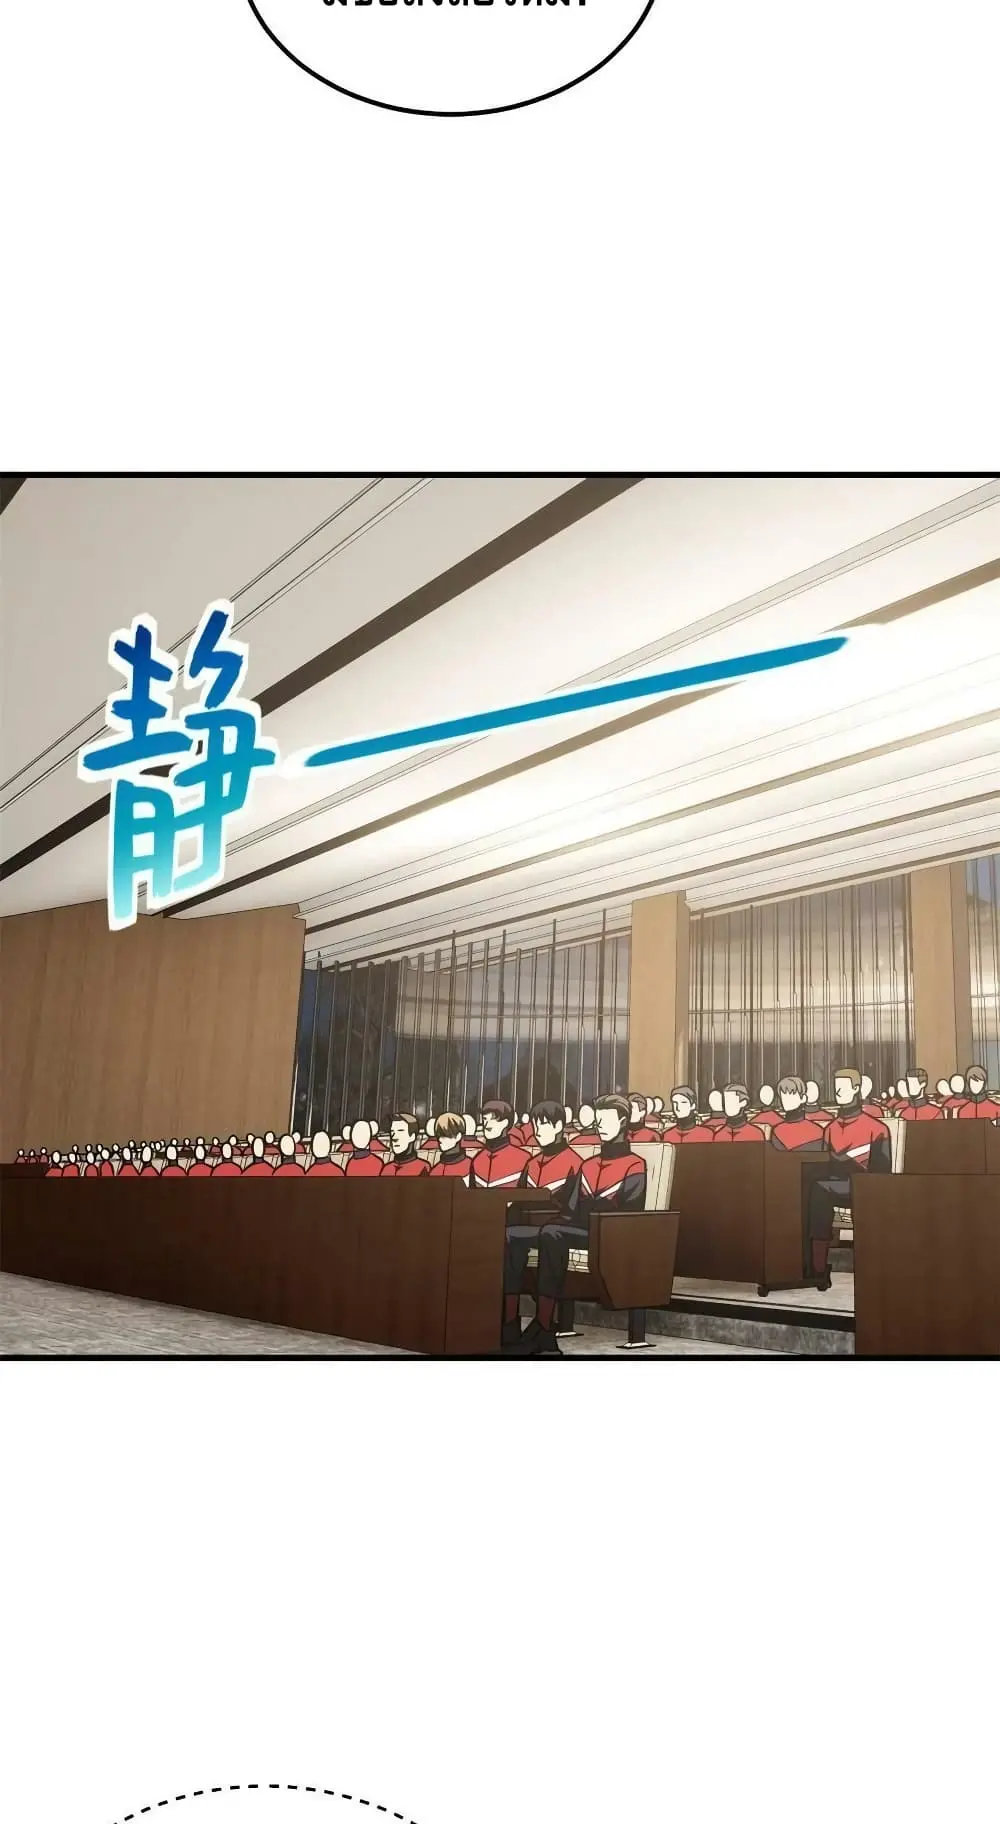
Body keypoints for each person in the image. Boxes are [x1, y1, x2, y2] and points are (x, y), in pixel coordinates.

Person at [503, 1094, 647, 1357]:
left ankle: (544, 1329)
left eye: (606, 1120)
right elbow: (570, 1211)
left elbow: (630, 1211)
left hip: (611, 1233)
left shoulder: (635, 1164)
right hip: (578, 1229)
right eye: (598, 1120)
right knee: (511, 1235)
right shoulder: (588, 1165)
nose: (600, 1125)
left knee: (552, 1233)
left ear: (623, 1121)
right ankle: (509, 1326)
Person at [805, 1067, 891, 1289]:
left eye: (843, 1087)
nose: (838, 1092)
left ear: (856, 1089)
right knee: (814, 1188)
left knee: (819, 1189)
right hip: (834, 1185)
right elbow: (823, 1165)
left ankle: (863, 1267)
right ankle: (817, 1268)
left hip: (866, 1186)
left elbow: (882, 1172)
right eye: (836, 1087)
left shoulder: (877, 1128)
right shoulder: (830, 1129)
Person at [470, 1100, 530, 1189]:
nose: (486, 1125)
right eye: (485, 1119)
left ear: (506, 1123)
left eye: (493, 1119)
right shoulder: (477, 1159)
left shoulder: (523, 1158)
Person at [769, 1075, 828, 1151]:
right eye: (783, 1096)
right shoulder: (777, 1131)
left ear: (803, 1098)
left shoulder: (817, 1130)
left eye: (791, 1095)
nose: (786, 1100)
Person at [428, 1112, 473, 1178]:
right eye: (438, 1136)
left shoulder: (471, 1166)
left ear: (458, 1136)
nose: (440, 1139)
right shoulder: (435, 1171)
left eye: (444, 1135)